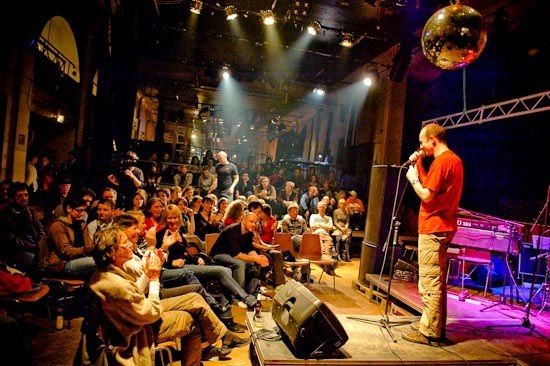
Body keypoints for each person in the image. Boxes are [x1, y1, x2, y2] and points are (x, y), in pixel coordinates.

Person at [85, 227, 247, 366]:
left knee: (195, 298)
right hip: (134, 332)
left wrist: (149, 273)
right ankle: (202, 355)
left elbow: (135, 295)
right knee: (191, 320)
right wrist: (154, 278)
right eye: (124, 242)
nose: (129, 244)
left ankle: (224, 336)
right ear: (112, 252)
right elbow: (150, 312)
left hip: (138, 314)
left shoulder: (108, 272)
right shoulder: (113, 284)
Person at [402, 123, 463, 346]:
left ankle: (429, 332)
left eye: (422, 143)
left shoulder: (442, 161)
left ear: (433, 140)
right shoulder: (453, 161)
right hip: (444, 227)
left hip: (434, 227)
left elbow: (426, 195)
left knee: (429, 283)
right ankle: (434, 326)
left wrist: (413, 180)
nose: (421, 147)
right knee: (436, 282)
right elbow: (433, 185)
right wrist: (418, 164)